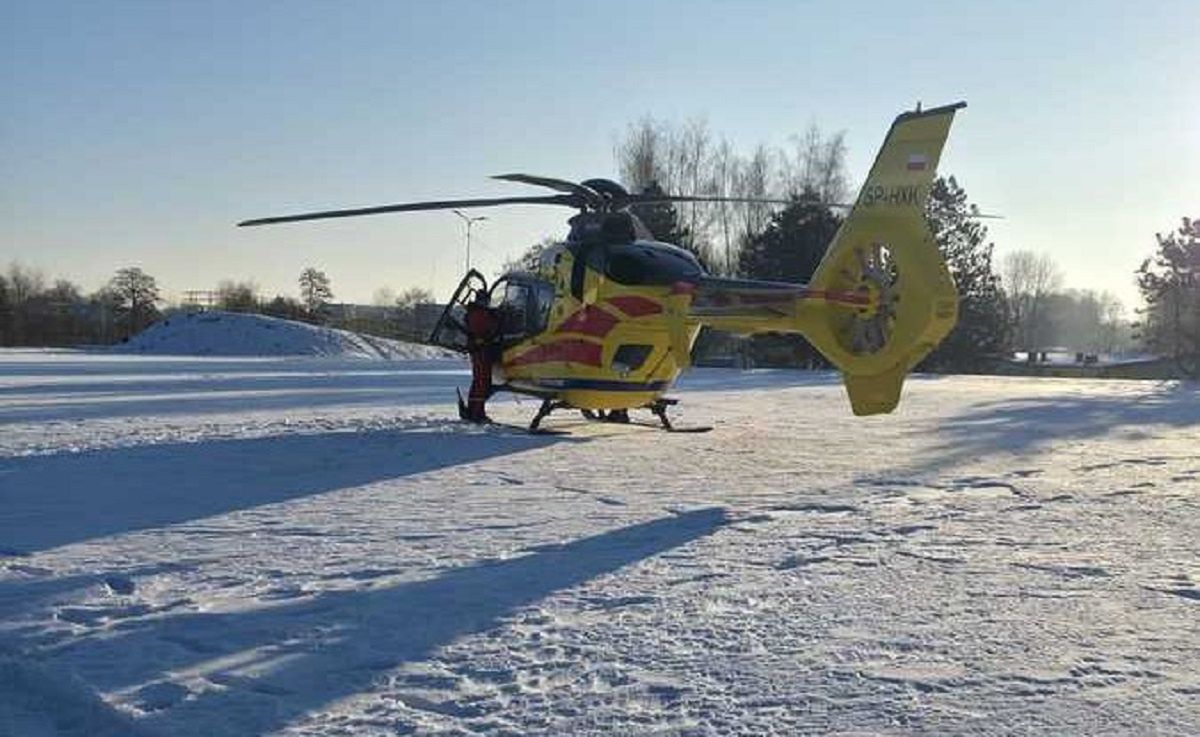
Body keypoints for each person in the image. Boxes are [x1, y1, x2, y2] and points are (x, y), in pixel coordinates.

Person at [463, 291, 500, 423]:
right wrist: (495, 319)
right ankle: (478, 413)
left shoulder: (475, 312)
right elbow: (487, 330)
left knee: (478, 380)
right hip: (481, 351)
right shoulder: (480, 314)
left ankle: (473, 409)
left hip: (478, 350)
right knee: (482, 382)